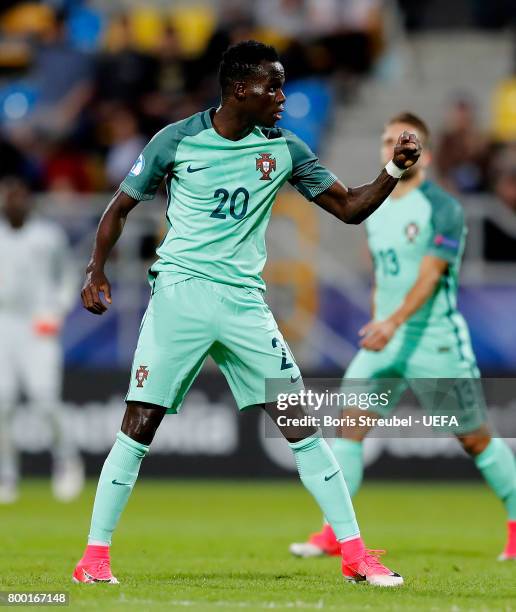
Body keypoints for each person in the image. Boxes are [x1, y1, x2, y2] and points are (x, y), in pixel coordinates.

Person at [72, 41, 421, 587]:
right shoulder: (176, 140)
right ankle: (93, 560)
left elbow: (349, 208)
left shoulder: (283, 149)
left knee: (300, 423)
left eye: (283, 86)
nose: (283, 97)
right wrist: (96, 269)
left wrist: (392, 172)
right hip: (180, 296)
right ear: (240, 89)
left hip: (243, 304)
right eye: (273, 86)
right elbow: (119, 208)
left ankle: (354, 554)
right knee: (139, 425)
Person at [289, 112, 516, 562]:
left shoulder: (443, 207)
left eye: (404, 140)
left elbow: (430, 276)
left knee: (474, 439)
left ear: (425, 154)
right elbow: (382, 278)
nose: (394, 146)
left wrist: (393, 322)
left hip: (434, 340)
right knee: (349, 425)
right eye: (388, 139)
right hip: (385, 339)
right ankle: (336, 533)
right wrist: (379, 321)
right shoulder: (374, 208)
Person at [0, 177, 83, 503]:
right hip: (4, 324)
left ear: (29, 202)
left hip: (38, 326)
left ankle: (66, 461)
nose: (14, 203)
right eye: (9, 198)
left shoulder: (48, 236)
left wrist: (58, 311)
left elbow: (68, 275)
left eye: (20, 197)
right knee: (2, 402)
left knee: (45, 398)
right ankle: (6, 473)